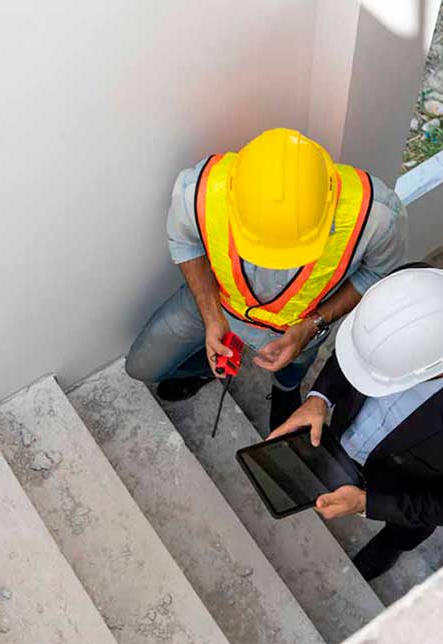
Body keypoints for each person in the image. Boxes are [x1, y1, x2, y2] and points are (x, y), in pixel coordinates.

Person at [125, 128, 407, 430]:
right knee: (142, 366)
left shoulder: (376, 216)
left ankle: (286, 389)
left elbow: (377, 272)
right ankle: (206, 369)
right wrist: (210, 315)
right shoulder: (199, 191)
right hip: (217, 302)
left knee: (294, 366)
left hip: (301, 324)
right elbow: (185, 243)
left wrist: (312, 326)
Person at [269, 264, 443, 580]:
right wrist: (319, 398)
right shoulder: (410, 289)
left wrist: (369, 503)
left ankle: (391, 546)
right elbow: (360, 350)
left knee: (404, 531)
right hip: (343, 440)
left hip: (401, 488)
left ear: (426, 370)